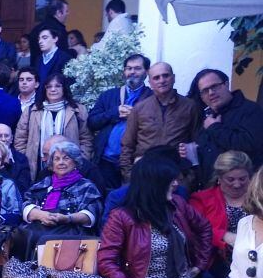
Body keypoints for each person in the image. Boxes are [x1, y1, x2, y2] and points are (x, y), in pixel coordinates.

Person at [119, 62, 197, 182]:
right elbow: (127, 144)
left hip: (176, 173)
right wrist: (129, 176)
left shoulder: (190, 106)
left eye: (166, 75)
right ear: (150, 83)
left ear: (173, 78)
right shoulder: (140, 108)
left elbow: (196, 142)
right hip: (144, 172)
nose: (162, 80)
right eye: (156, 77)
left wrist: (189, 178)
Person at [19, 140, 102, 248]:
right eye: (56, 159)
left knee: (47, 239)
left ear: (75, 162)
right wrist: (41, 215)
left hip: (71, 233)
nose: (61, 162)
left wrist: (67, 218)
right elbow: (26, 204)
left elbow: (90, 215)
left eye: (66, 158)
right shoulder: (44, 183)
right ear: (52, 164)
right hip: (38, 228)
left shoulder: (86, 186)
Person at [88, 54, 152, 189]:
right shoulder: (109, 95)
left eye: (137, 68)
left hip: (135, 161)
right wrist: (114, 112)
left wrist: (136, 116)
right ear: (124, 72)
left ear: (146, 73)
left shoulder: (152, 98)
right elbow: (92, 122)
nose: (132, 72)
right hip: (106, 160)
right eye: (129, 68)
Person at [189, 69, 263, 182]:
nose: (211, 93)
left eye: (215, 86)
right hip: (211, 189)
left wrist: (215, 128)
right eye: (205, 91)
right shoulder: (208, 116)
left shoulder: (251, 110)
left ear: (226, 84)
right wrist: (192, 152)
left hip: (241, 188)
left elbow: (247, 144)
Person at [14, 74, 91, 179]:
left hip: (69, 166)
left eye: (57, 86)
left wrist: (79, 159)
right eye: (49, 87)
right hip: (37, 166)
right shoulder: (32, 110)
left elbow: (86, 139)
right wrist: (26, 160)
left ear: (64, 88)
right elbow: (20, 139)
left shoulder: (78, 110)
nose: (53, 89)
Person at [189, 150, 252, 275]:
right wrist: (224, 235)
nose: (237, 184)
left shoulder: (258, 197)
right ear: (219, 178)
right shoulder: (201, 199)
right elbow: (194, 230)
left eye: (242, 179)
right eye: (230, 179)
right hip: (217, 262)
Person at [0, 123, 31, 192]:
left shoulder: (21, 159)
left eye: (6, 136)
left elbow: (23, 188)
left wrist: (4, 166)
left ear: (11, 138)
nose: (3, 139)